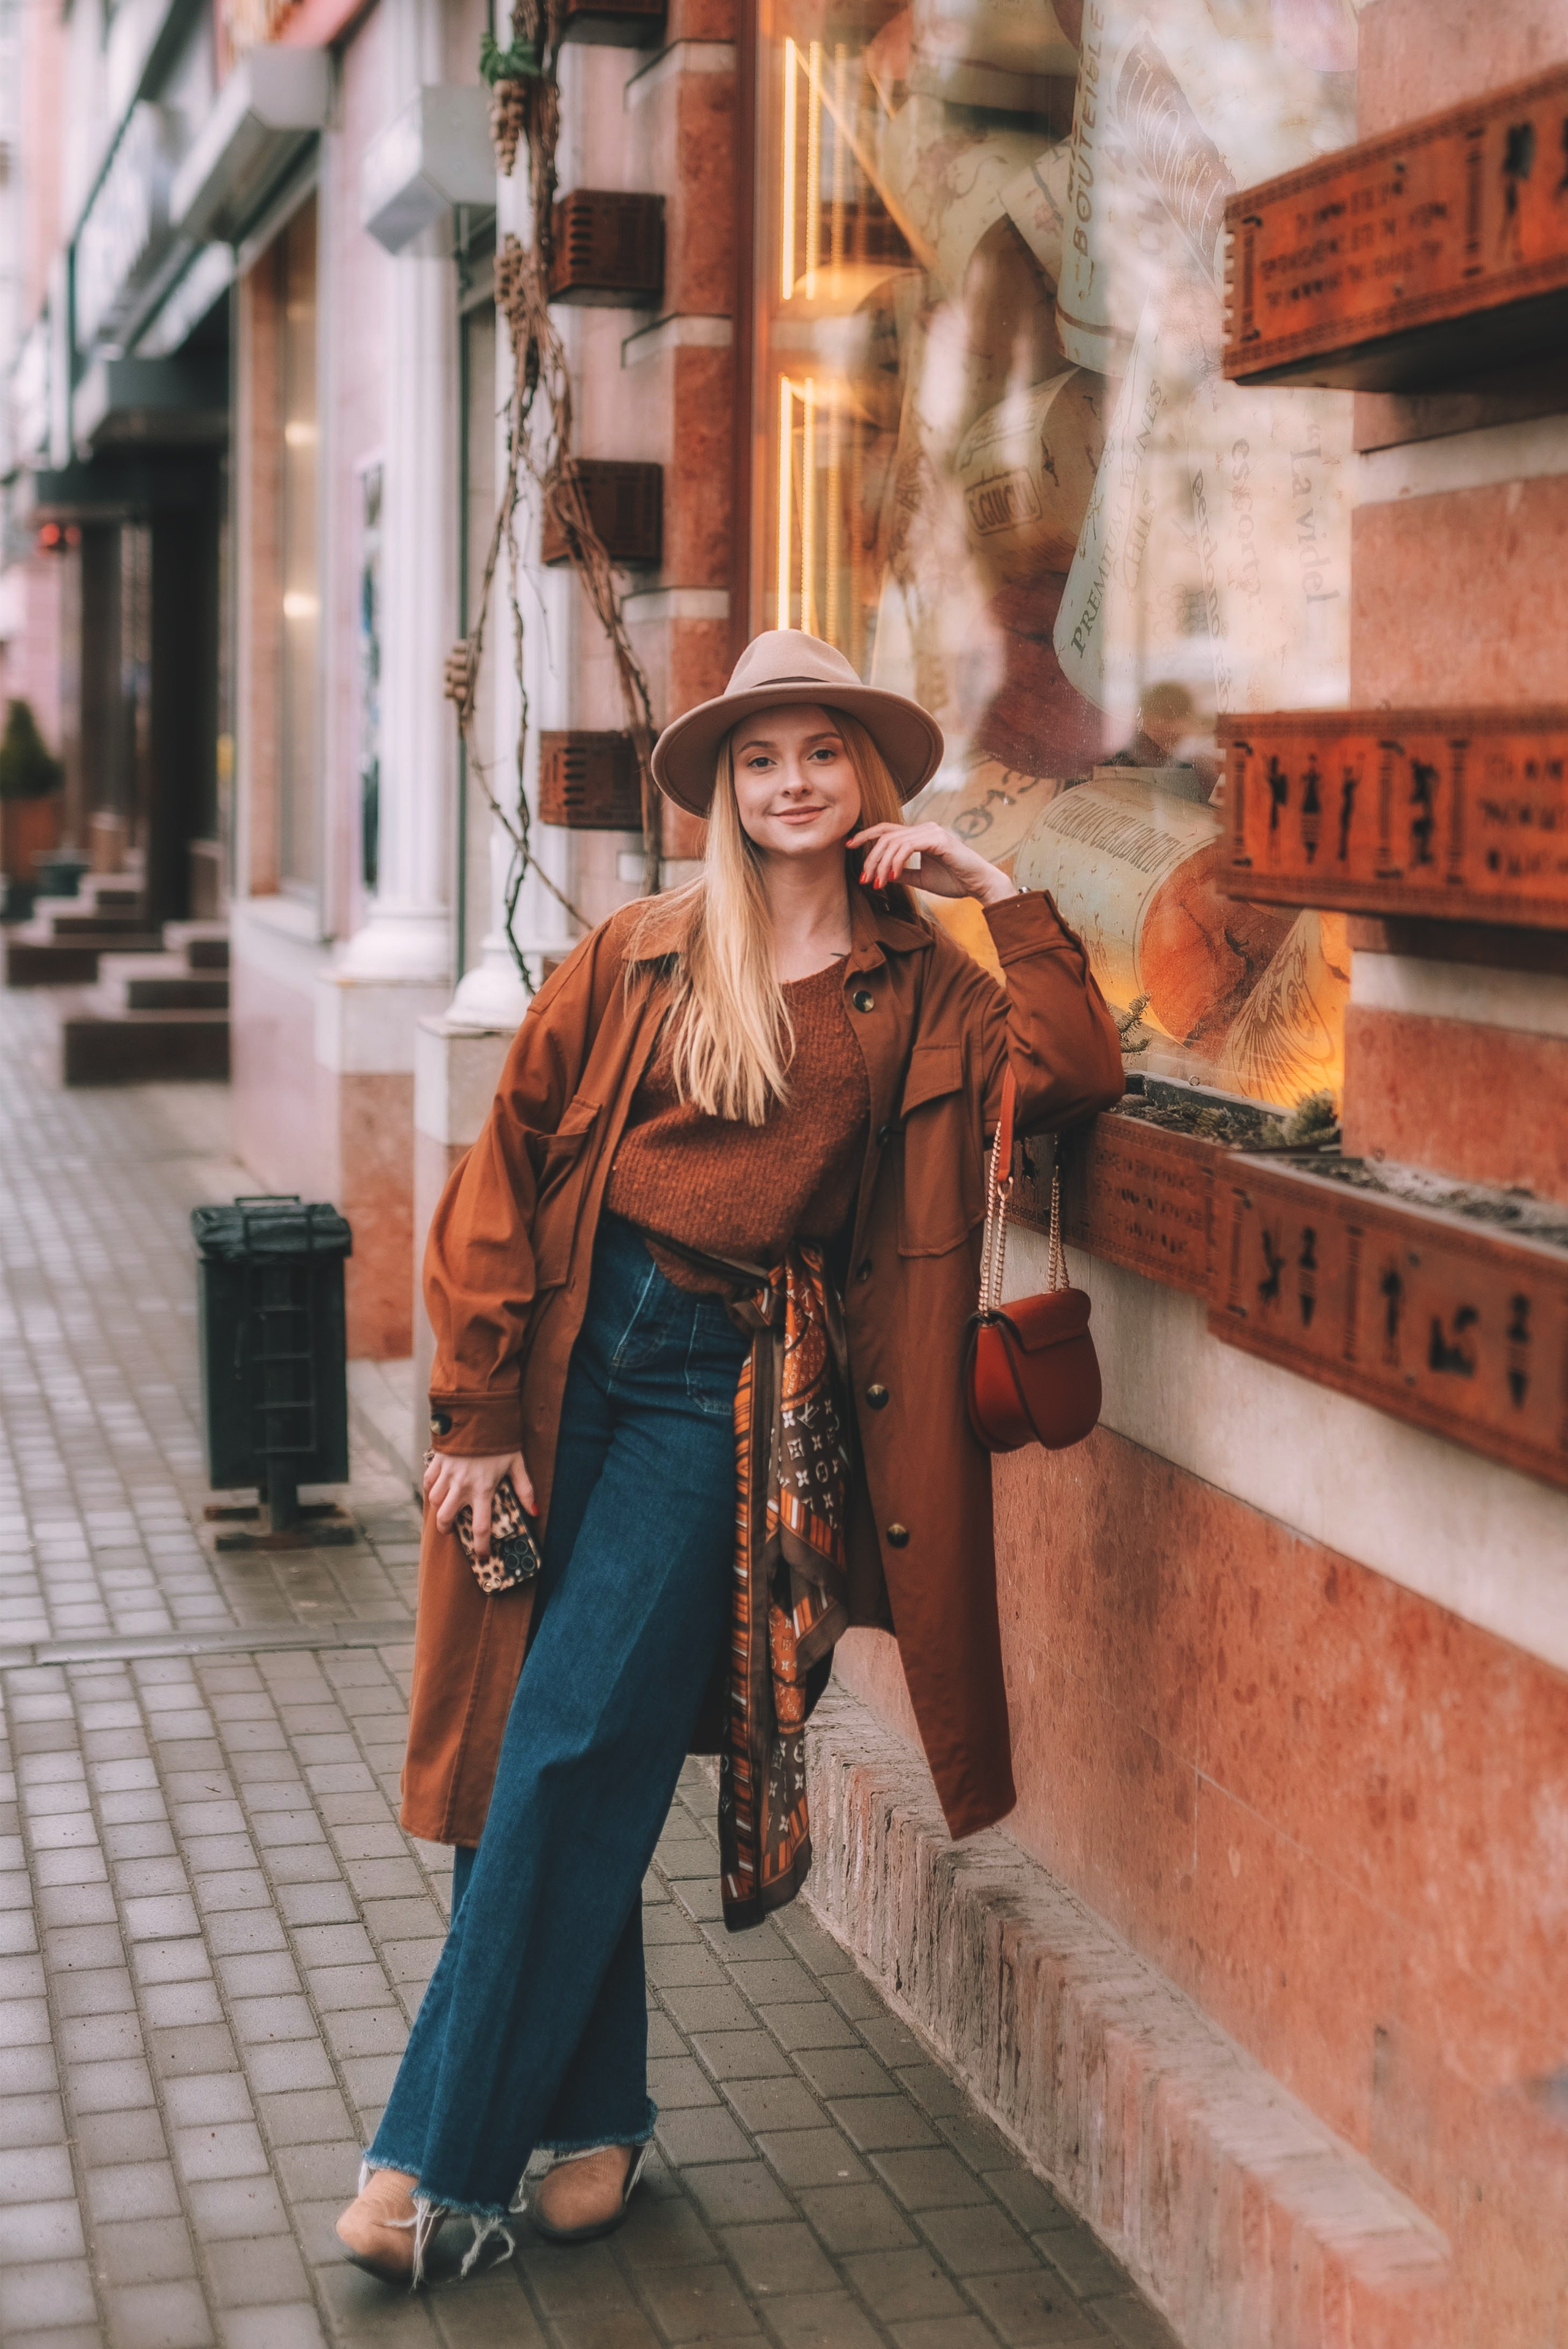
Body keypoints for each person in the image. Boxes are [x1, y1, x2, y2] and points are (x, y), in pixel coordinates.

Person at [334, 629, 1123, 2285]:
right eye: (760, 759)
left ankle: (436, 2163)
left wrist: (992, 887)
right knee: (535, 1751)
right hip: (569, 1352)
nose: (791, 783)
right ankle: (598, 2122)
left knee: (569, 1744)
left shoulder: (920, 987)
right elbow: (503, 1172)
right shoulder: (639, 953)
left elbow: (1071, 1068)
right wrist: (475, 1416)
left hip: (722, 1386)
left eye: (821, 752)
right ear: (724, 789)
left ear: (865, 777)